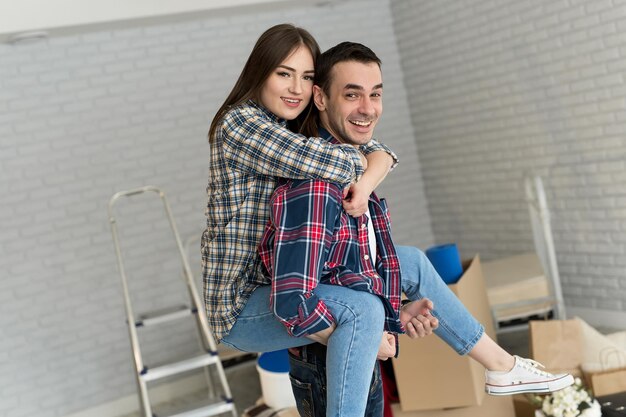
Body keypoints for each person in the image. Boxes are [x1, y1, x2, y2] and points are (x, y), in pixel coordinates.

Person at [258, 41, 575, 416]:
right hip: (326, 352)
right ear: (321, 98)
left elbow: (344, 269)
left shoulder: (352, 163)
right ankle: (502, 367)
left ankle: (502, 366)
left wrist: (395, 310)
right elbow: (294, 295)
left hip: (350, 343)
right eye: (352, 94)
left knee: (409, 261)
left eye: (375, 94)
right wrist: (370, 329)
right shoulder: (317, 180)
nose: (368, 108)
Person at [202, 24, 413, 417]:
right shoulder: (240, 123)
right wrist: (365, 168)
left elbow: (381, 151)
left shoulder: (293, 127)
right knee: (363, 314)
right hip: (244, 303)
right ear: (259, 73)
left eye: (307, 77)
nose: (296, 88)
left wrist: (366, 178)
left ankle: (499, 365)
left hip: (294, 286)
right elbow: (334, 159)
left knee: (410, 262)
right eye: (284, 73)